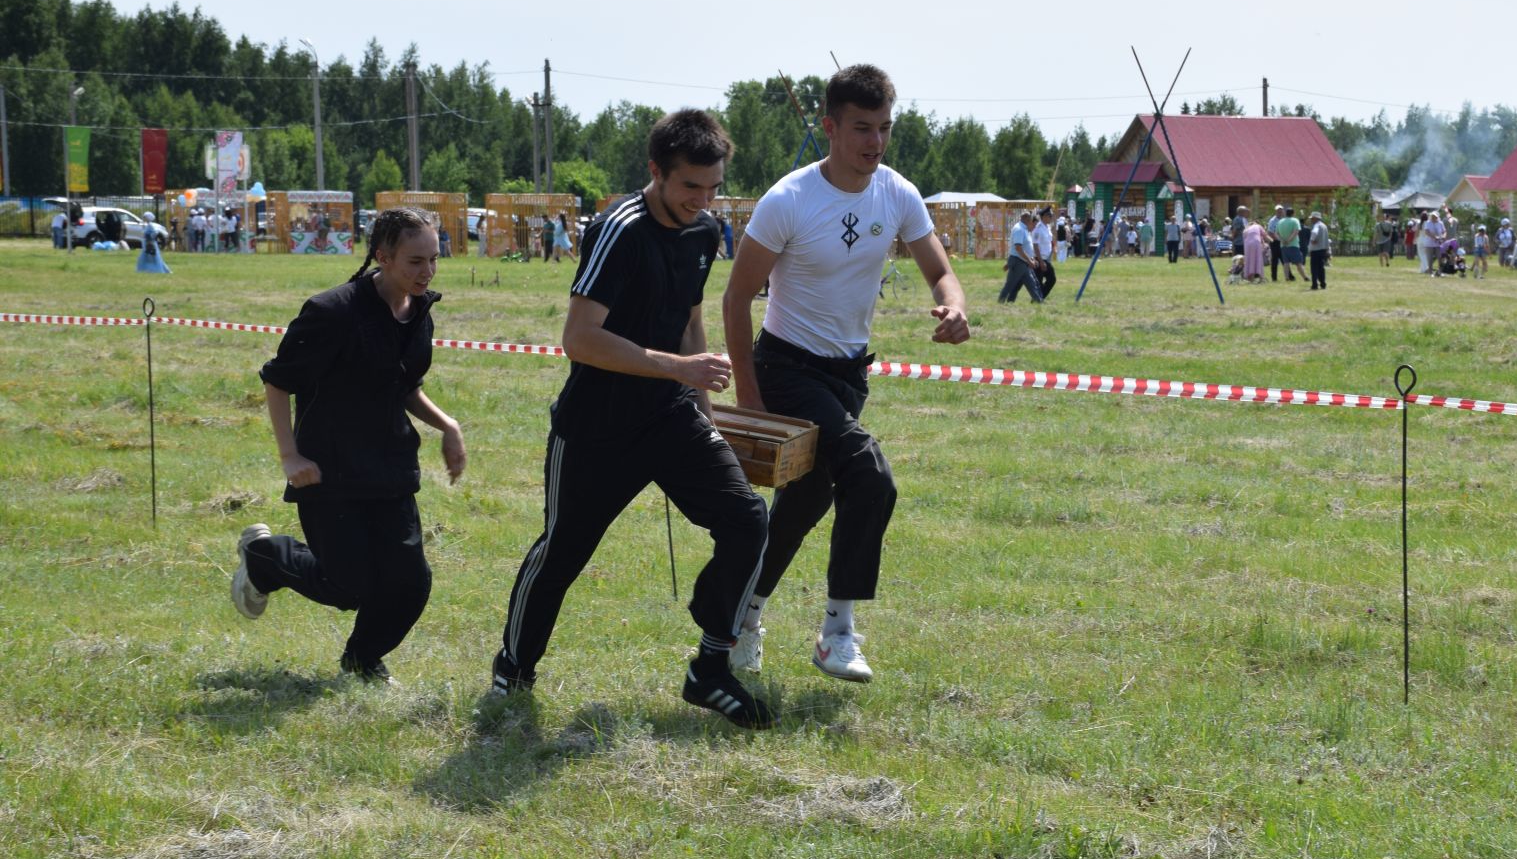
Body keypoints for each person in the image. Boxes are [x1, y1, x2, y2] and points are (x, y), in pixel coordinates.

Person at [490, 111, 774, 726]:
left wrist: (704, 412)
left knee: (748, 519)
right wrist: (680, 368)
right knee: (563, 552)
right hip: (597, 426)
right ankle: (512, 673)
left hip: (671, 417)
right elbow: (580, 339)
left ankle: (710, 666)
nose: (703, 202)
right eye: (690, 188)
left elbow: (691, 318)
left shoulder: (704, 233)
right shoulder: (618, 230)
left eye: (714, 187)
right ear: (656, 172)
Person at [720, 63, 969, 685]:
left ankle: (740, 616)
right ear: (830, 127)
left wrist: (954, 304)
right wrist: (750, 399)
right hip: (785, 368)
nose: (875, 142)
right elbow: (735, 298)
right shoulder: (790, 200)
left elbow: (939, 270)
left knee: (804, 503)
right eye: (862, 128)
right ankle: (838, 631)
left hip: (848, 377)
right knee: (870, 476)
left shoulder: (897, 193)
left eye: (885, 128)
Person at [231, 208, 465, 684]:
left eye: (433, 260)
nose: (427, 272)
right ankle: (264, 557)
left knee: (410, 583)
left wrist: (448, 426)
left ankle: (362, 661)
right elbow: (278, 383)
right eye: (415, 261)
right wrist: (289, 456)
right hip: (329, 470)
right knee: (349, 585)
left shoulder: (419, 312)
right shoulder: (332, 313)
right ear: (382, 255)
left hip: (390, 468)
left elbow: (403, 385)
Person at [999, 211, 1044, 302]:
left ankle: (1038, 302)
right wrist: (1029, 260)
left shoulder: (1024, 229)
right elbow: (1018, 248)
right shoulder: (1019, 229)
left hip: (1023, 262)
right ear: (1027, 219)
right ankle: (1000, 301)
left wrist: (1031, 259)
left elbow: (1024, 247)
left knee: (1032, 284)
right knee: (1010, 285)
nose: (1031, 221)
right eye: (1030, 219)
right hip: (1018, 261)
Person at [1032, 206, 1059, 298]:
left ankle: (1039, 298)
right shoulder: (1038, 229)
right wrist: (1041, 261)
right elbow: (1035, 246)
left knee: (1052, 279)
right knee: (1038, 282)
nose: (1051, 217)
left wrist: (1054, 247)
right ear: (1043, 217)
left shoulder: (1047, 228)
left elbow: (1050, 240)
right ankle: (1037, 299)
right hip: (1039, 259)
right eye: (1049, 216)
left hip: (1046, 259)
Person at [136, 210, 171, 275]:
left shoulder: (150, 226)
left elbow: (154, 234)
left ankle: (158, 269)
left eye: (145, 217)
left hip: (149, 243)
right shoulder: (148, 225)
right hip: (147, 243)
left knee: (153, 258)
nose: (144, 219)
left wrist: (148, 236)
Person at [1306, 210, 1331, 289]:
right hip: (1323, 249)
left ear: (1315, 218)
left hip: (1316, 250)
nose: (1311, 220)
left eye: (1312, 218)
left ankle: (1314, 285)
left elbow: (1314, 233)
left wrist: (1312, 240)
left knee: (1314, 268)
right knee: (1321, 268)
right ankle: (1323, 283)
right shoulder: (1324, 226)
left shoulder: (1316, 226)